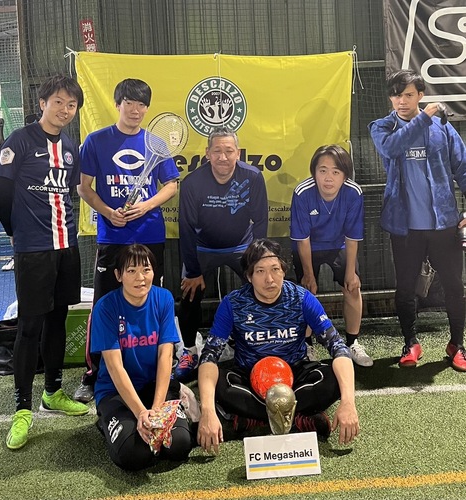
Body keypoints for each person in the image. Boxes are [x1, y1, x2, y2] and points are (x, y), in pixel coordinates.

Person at [0, 74, 89, 450]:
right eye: (59, 102)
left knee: (57, 320)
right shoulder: (19, 140)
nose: (65, 109)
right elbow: (2, 194)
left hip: (67, 248)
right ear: (42, 103)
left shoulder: (71, 147)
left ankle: (52, 391)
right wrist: (12, 232)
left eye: (72, 104)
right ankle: (22, 409)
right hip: (32, 250)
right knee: (29, 326)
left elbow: (69, 194)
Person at [197, 239, 360, 454]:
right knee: (217, 383)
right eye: (260, 271)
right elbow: (209, 355)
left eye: (275, 269)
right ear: (249, 276)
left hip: (295, 377)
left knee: (334, 378)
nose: (269, 279)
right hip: (249, 379)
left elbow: (337, 346)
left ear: (283, 270)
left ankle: (253, 419)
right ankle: (298, 417)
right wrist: (207, 411)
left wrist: (348, 402)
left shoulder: (302, 298)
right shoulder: (233, 303)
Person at [74, 79, 180, 403]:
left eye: (141, 104)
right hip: (113, 238)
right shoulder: (96, 141)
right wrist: (108, 212)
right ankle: (93, 375)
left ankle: (156, 371)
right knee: (103, 306)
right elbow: (83, 187)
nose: (135, 110)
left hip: (150, 236)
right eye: (129, 103)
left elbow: (171, 185)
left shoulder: (156, 144)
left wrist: (146, 206)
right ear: (117, 104)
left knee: (152, 304)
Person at [369, 69, 466, 370]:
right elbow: (391, 148)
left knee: (454, 286)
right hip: (404, 227)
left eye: (408, 95)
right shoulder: (382, 127)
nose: (401, 101)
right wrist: (424, 117)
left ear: (420, 95)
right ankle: (410, 342)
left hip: (444, 224)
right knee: (405, 289)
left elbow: (462, 167)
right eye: (396, 95)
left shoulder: (442, 128)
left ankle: (457, 344)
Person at [175, 126, 268, 381]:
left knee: (262, 287)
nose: (223, 157)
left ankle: (255, 343)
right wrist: (193, 271)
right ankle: (189, 351)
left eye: (228, 151)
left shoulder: (253, 176)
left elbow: (261, 221)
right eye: (217, 151)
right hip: (203, 248)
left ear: (238, 153)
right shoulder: (192, 182)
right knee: (189, 292)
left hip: (242, 247)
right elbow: (186, 228)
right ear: (207, 154)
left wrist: (257, 261)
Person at [91, 244, 193, 470]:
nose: (140, 278)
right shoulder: (105, 307)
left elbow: (166, 356)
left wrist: (156, 411)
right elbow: (115, 368)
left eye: (146, 270)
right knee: (134, 455)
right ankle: (107, 421)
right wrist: (140, 412)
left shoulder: (163, 298)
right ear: (118, 275)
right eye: (131, 271)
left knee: (179, 445)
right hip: (115, 392)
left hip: (154, 387)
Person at [290, 144, 373, 367]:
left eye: (336, 171)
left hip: (339, 245)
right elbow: (302, 239)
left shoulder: (353, 192)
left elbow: (352, 236)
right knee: (306, 291)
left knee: (353, 286)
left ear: (344, 175)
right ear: (314, 172)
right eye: (323, 170)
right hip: (309, 246)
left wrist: (351, 274)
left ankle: (353, 342)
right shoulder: (302, 193)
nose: (328, 177)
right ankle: (306, 345)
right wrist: (309, 275)